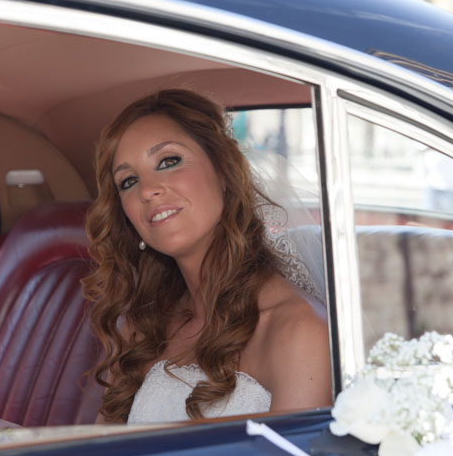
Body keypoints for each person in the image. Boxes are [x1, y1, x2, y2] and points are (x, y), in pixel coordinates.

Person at [83, 89, 331, 424]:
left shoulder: (299, 331)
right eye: (128, 181)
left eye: (169, 161)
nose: (146, 190)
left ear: (225, 172)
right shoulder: (142, 331)